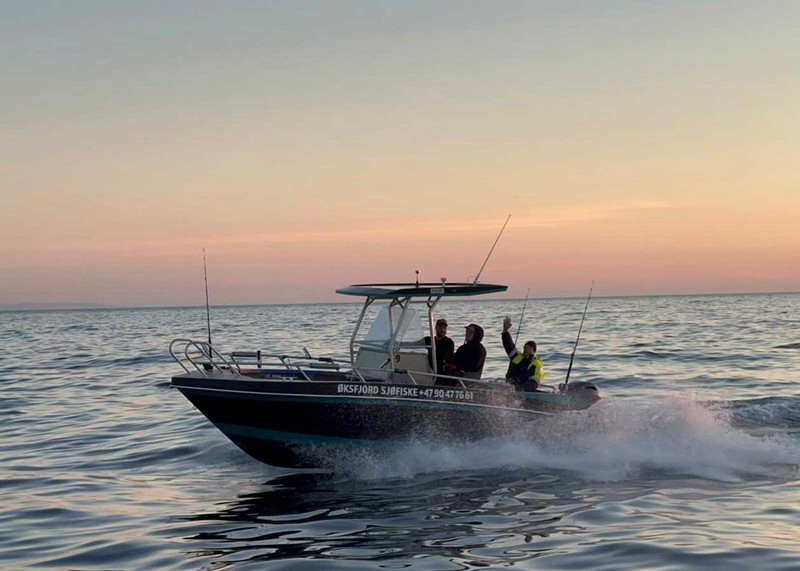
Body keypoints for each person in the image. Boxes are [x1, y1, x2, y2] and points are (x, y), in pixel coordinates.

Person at [501, 316, 544, 392]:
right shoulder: (517, 356)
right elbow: (509, 346)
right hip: (509, 387)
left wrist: (521, 388)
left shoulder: (536, 364)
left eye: (528, 347)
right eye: (524, 347)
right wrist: (505, 331)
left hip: (522, 390)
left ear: (533, 350)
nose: (525, 349)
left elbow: (535, 380)